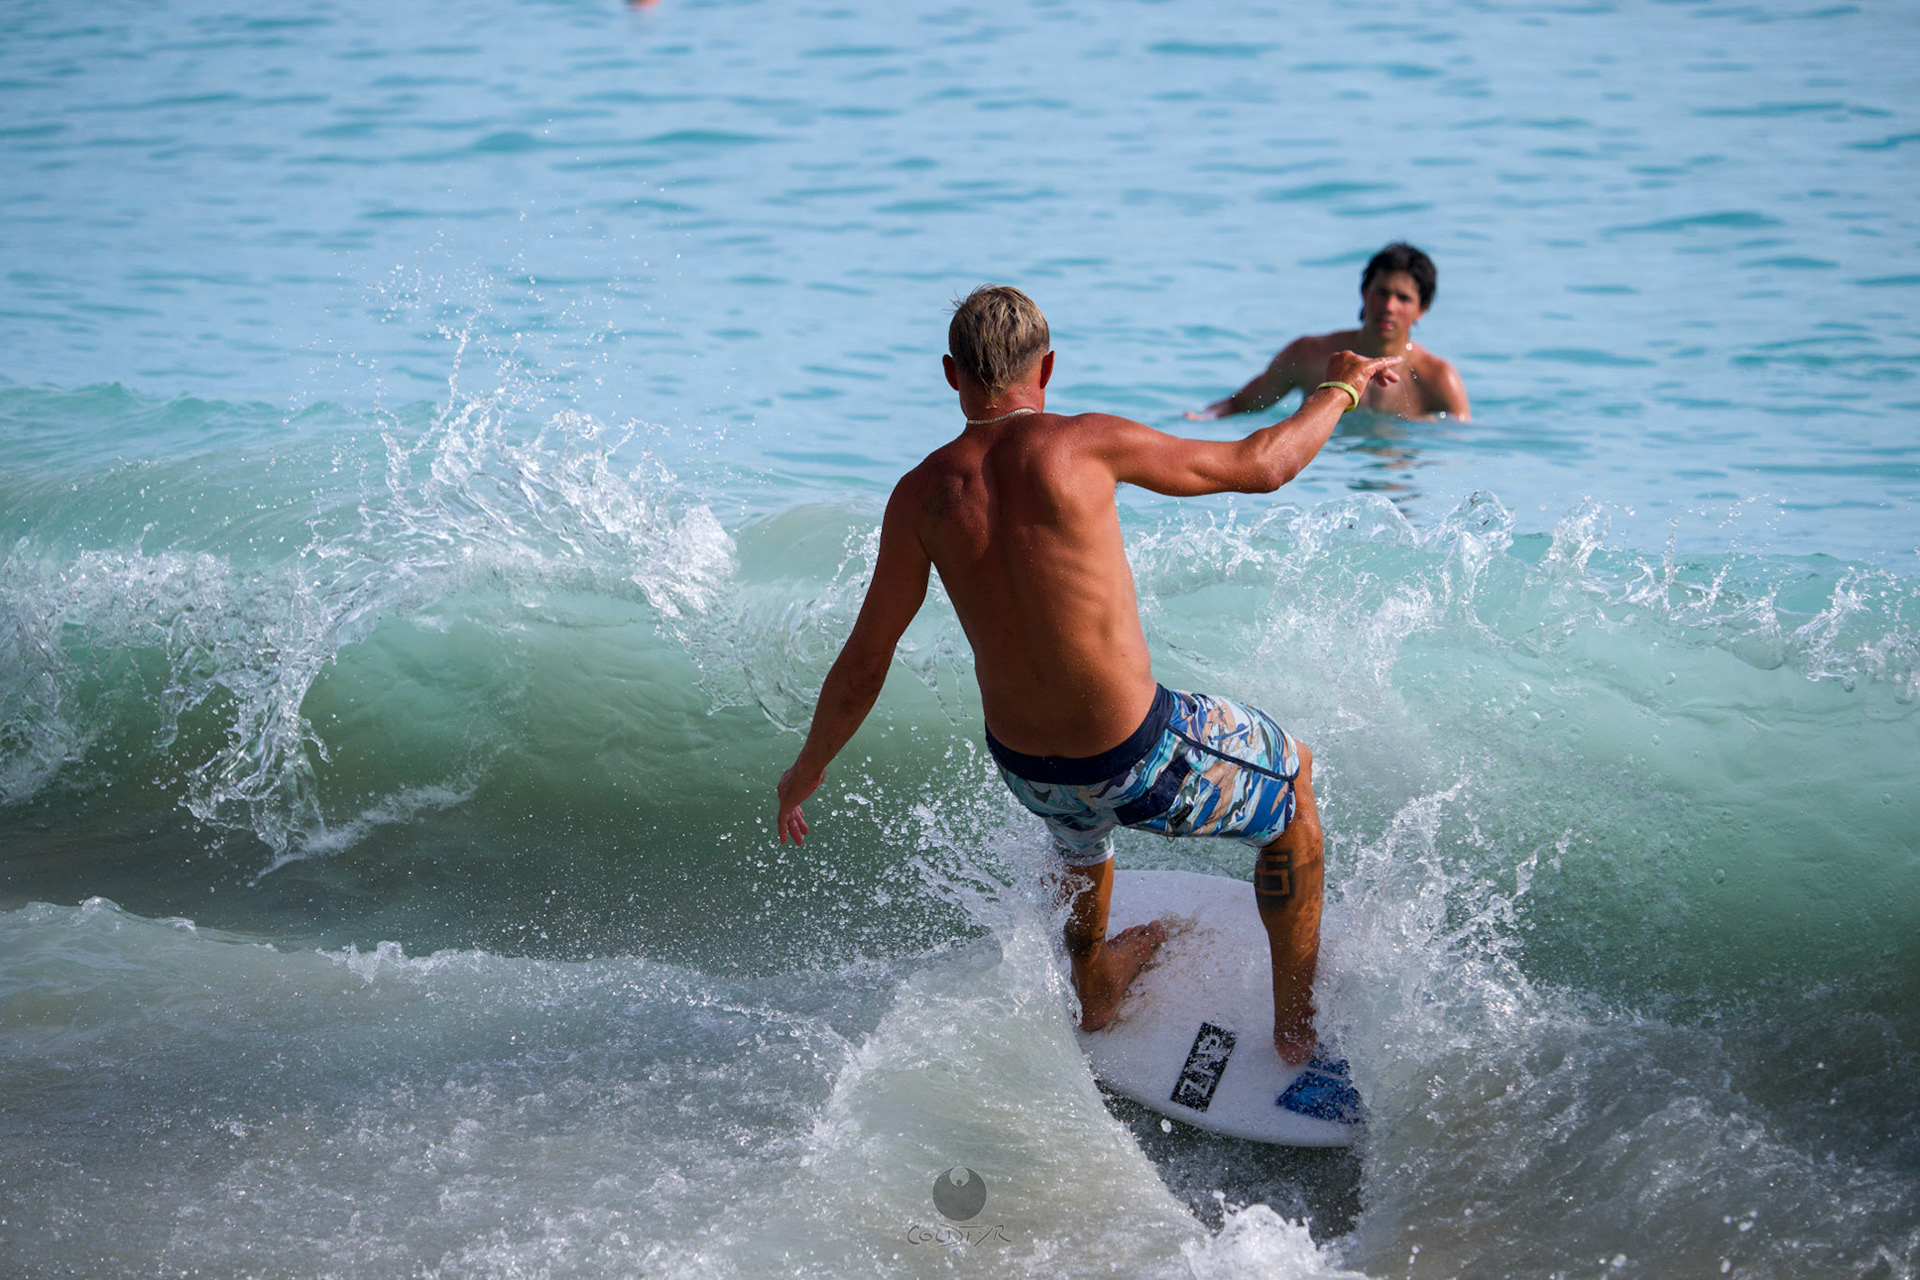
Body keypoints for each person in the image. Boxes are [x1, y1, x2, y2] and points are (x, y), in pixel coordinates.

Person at [774, 285, 1403, 1064]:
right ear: (1047, 368)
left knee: (1079, 832)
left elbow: (866, 662)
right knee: (1294, 779)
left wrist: (808, 768)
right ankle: (1297, 1030)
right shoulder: (1083, 444)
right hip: (1137, 755)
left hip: (1027, 771)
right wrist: (1339, 387)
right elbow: (1263, 465)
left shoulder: (919, 496)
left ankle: (1096, 986)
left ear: (951, 374)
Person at [1191, 242, 1469, 423]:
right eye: (1381, 293)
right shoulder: (1309, 355)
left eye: (1403, 298)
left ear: (1422, 309)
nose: (1389, 307)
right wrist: (1201, 419)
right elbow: (1239, 404)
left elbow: (1461, 444)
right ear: (1364, 293)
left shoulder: (1437, 378)